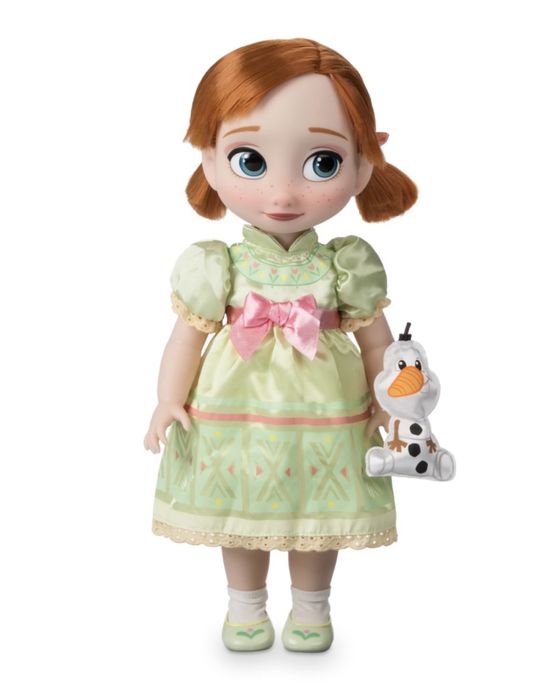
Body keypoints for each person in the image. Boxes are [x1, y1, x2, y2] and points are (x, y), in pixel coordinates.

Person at [143, 38, 417, 652]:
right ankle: (245, 607)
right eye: (250, 161)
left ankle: (312, 608)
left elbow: (376, 344)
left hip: (328, 414)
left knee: (317, 513)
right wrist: (167, 398)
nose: (284, 194)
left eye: (322, 162)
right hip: (235, 413)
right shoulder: (217, 265)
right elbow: (186, 337)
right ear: (210, 161)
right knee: (240, 512)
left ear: (363, 165)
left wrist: (388, 399)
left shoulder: (346, 265)